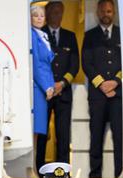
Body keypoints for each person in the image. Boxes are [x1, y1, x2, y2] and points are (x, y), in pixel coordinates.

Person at [81, 0, 122, 178]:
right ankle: (94, 177)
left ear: (113, 13)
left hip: (118, 95)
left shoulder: (122, 34)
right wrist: (102, 84)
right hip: (97, 95)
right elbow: (86, 63)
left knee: (119, 138)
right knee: (96, 137)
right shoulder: (90, 36)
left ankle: (121, 176)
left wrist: (115, 82)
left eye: (110, 11)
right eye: (104, 11)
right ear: (98, 13)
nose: (107, 14)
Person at [43, 1, 78, 166]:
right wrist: (49, 84)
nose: (57, 16)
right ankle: (40, 169)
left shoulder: (69, 37)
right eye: (54, 12)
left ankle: (62, 171)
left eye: (60, 12)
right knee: (42, 134)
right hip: (44, 93)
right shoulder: (38, 34)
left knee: (63, 135)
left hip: (63, 93)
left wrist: (62, 83)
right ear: (47, 13)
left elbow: (74, 65)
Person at [31, 5, 55, 172]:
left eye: (41, 15)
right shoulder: (31, 35)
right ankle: (32, 166)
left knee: (41, 131)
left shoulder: (44, 35)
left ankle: (35, 166)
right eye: (35, 15)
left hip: (46, 85)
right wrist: (47, 86)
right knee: (35, 129)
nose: (39, 18)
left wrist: (51, 85)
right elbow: (36, 65)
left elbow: (47, 65)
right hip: (37, 87)